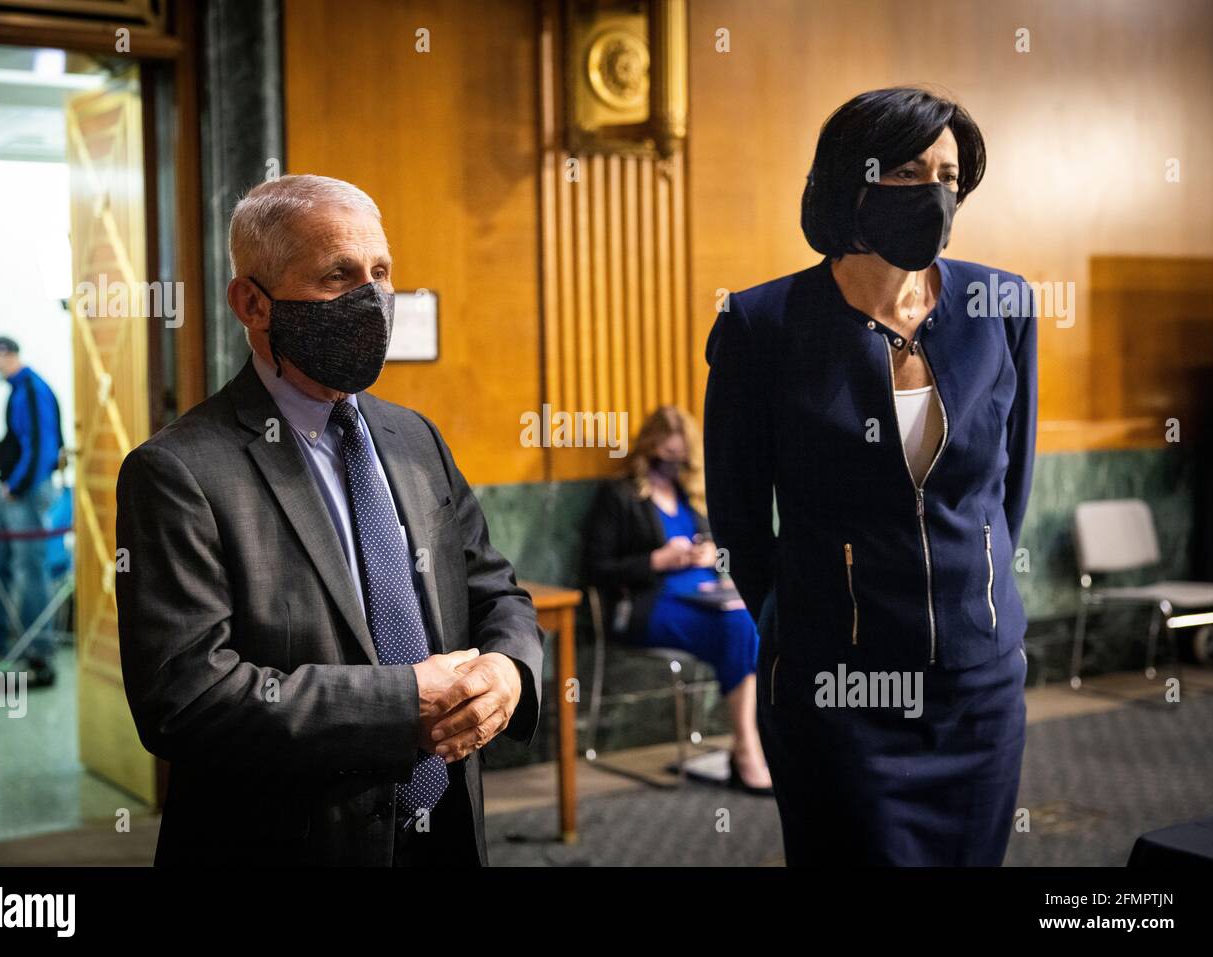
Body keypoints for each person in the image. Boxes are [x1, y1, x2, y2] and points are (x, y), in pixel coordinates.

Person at [115, 174, 544, 867]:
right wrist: (405, 700)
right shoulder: (178, 470)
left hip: (449, 829)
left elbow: (496, 589)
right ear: (253, 303)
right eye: (338, 275)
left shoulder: (415, 438)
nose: (370, 297)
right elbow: (186, 696)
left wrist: (509, 669)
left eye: (381, 271)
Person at [704, 87, 1037, 865]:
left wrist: (976, 599)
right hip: (840, 689)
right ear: (855, 177)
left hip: (979, 687)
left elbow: (1007, 493)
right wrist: (817, 627)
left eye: (950, 176)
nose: (935, 193)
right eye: (912, 170)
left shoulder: (1003, 306)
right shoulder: (764, 325)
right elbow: (742, 524)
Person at [583, 406, 771, 794]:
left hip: (707, 596)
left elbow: (722, 551)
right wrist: (657, 559)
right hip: (647, 605)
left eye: (679, 457)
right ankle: (747, 747)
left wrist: (710, 553)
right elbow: (595, 569)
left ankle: (757, 740)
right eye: (665, 455)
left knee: (755, 617)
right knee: (737, 625)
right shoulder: (619, 495)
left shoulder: (692, 494)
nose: (672, 463)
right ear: (648, 449)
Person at [0, 336, 64, 688]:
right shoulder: (18, 390)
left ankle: (38, 653)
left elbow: (42, 449)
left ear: (4, 355)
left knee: (30, 570)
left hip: (24, 493)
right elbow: (16, 442)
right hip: (13, 490)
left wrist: (16, 486)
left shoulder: (33, 390)